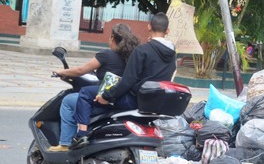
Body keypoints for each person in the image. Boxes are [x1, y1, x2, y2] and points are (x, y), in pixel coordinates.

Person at [72, 12, 177, 148]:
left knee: (86, 93)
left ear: (149, 27)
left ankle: (81, 136)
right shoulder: (172, 55)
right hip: (155, 104)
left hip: (133, 100)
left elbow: (127, 81)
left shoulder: (142, 50)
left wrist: (106, 96)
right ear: (167, 31)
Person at [48, 23, 139, 152]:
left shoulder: (106, 55)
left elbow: (81, 70)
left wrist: (61, 72)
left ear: (112, 37)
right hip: (123, 100)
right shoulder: (132, 56)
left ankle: (66, 143)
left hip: (105, 99)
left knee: (68, 101)